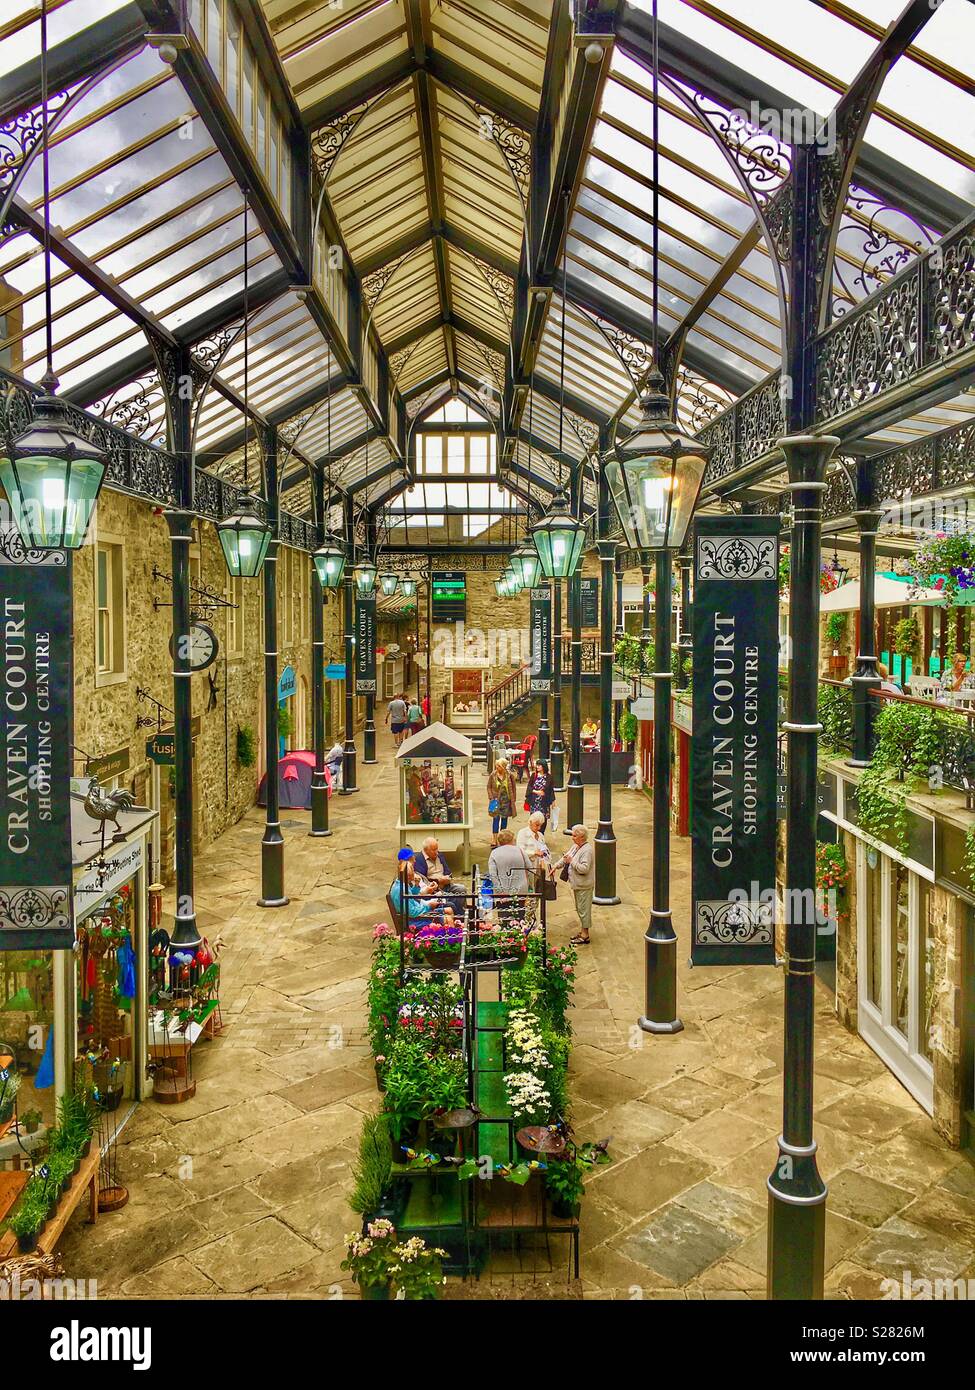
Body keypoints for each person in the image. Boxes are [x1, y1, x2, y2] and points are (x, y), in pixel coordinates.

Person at [550, 824, 595, 946]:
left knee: (584, 910)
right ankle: (583, 931)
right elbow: (566, 858)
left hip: (584, 885)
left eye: (575, 835)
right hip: (578, 884)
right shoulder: (576, 846)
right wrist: (555, 866)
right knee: (580, 908)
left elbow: (584, 868)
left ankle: (585, 935)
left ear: (581, 837)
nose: (572, 837)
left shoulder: (587, 850)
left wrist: (572, 861)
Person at [487, 828, 533, 895]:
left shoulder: (494, 853)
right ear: (512, 840)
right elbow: (530, 869)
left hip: (503, 893)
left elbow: (493, 875)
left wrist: (499, 891)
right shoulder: (521, 851)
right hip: (521, 891)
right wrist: (529, 885)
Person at [487, 757, 516, 845]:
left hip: (506, 801)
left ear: (503, 767)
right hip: (495, 801)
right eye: (496, 766)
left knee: (504, 820)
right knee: (495, 819)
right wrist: (491, 798)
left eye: (499, 766)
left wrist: (513, 799)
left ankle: (502, 838)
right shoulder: (493, 775)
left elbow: (513, 788)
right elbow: (489, 787)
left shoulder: (509, 775)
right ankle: (494, 839)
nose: (497, 768)